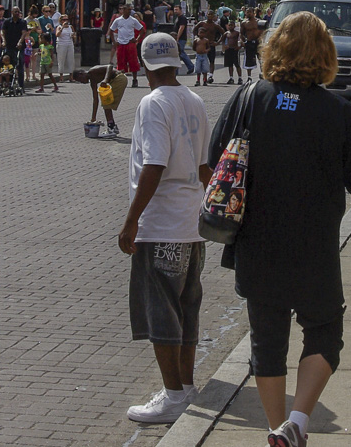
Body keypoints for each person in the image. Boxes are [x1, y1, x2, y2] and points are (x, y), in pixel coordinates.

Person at [208, 11, 351, 447]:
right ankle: (297, 423)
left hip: (256, 243)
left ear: (273, 49)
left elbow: (213, 162)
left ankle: (274, 427)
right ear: (325, 55)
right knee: (325, 332)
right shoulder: (338, 112)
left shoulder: (248, 99)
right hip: (314, 247)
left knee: (267, 343)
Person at [120, 32, 213, 425]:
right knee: (186, 309)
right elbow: (207, 166)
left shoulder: (152, 103)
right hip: (191, 225)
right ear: (178, 62)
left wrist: (130, 222)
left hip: (161, 227)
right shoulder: (194, 101)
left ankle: (174, 394)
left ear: (144, 65)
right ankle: (186, 386)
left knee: (161, 312)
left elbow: (154, 165)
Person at [75, 62, 128, 137]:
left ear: (81, 73)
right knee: (106, 103)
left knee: (107, 104)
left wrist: (105, 80)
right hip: (114, 81)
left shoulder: (92, 71)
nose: (82, 82)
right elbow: (95, 100)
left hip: (119, 78)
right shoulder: (93, 82)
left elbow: (109, 66)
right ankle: (112, 126)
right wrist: (93, 118)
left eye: (80, 80)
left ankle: (111, 128)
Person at [109, 4, 146, 88]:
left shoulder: (133, 20)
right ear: (123, 10)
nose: (129, 11)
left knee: (133, 62)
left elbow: (142, 30)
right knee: (121, 62)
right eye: (128, 10)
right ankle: (121, 80)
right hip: (121, 43)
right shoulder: (118, 20)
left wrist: (136, 39)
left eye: (130, 10)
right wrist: (114, 42)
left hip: (130, 43)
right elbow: (111, 30)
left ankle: (135, 79)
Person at [196, 14, 224, 84]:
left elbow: (223, 33)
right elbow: (195, 29)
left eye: (211, 15)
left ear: (213, 17)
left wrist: (217, 42)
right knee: (201, 61)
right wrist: (197, 38)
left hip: (211, 44)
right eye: (208, 15)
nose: (210, 17)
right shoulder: (202, 23)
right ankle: (201, 78)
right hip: (203, 45)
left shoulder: (215, 25)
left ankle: (210, 75)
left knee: (211, 61)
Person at [0, 6, 29, 73]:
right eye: (15, 12)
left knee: (20, 63)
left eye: (18, 12)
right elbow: (2, 32)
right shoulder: (7, 22)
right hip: (9, 46)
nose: (17, 13)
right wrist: (4, 41)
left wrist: (20, 42)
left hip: (19, 47)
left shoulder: (23, 22)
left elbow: (24, 33)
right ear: (12, 12)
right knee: (7, 62)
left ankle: (20, 81)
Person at [241, 8, 262, 83]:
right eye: (247, 12)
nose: (248, 13)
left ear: (253, 13)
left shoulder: (259, 22)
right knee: (249, 60)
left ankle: (263, 74)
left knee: (261, 59)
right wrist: (243, 41)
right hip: (249, 42)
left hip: (258, 42)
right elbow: (241, 34)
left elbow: (264, 32)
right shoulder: (244, 23)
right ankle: (249, 77)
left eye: (250, 12)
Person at [54, 13, 76, 80]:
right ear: (61, 20)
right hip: (61, 44)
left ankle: (71, 76)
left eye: (67, 19)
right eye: (64, 19)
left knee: (71, 60)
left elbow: (74, 34)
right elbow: (57, 34)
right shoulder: (59, 27)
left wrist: (74, 36)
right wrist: (62, 27)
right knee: (61, 60)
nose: (66, 21)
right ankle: (61, 76)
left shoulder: (70, 27)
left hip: (69, 44)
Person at [222, 20, 242, 85]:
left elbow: (241, 40)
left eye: (231, 25)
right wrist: (224, 46)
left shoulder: (237, 33)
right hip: (228, 50)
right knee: (230, 65)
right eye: (229, 25)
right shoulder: (226, 33)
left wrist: (239, 47)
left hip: (235, 50)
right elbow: (221, 40)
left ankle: (240, 78)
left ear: (234, 26)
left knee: (237, 64)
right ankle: (231, 78)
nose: (230, 26)